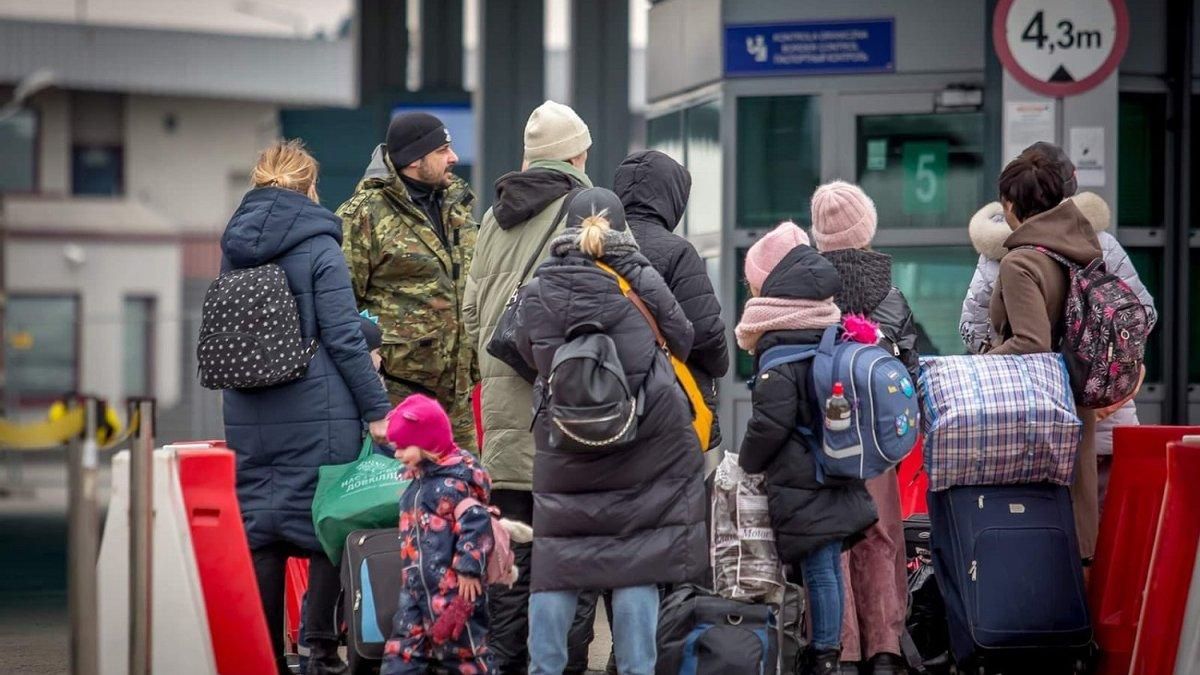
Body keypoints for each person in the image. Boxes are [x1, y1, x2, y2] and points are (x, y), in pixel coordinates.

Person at [511, 188, 707, 675]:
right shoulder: (640, 276)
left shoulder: (540, 286)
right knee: (634, 560)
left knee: (557, 561)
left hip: (564, 440)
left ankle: (545, 668)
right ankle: (638, 668)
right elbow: (683, 337)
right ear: (620, 229)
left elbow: (519, 346)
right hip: (641, 439)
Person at [220, 140, 392, 675]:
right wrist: (377, 408)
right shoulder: (319, 244)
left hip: (249, 406)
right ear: (309, 186)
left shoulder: (234, 246)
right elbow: (341, 335)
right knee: (330, 516)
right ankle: (318, 648)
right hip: (317, 404)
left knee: (263, 530)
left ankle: (266, 655)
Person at [462, 100, 601, 673]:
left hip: (502, 415)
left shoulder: (494, 218)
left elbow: (470, 315)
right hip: (562, 415)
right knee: (571, 553)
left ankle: (503, 662)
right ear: (576, 153)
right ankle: (564, 664)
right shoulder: (583, 209)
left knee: (511, 549)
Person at [735, 222, 877, 675]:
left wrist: (746, 462)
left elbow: (771, 420)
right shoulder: (822, 322)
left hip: (804, 473)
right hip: (831, 462)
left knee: (819, 569)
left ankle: (824, 657)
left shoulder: (781, 341)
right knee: (828, 564)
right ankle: (827, 651)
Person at [961, 191, 1156, 510]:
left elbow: (972, 329)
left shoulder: (1005, 255)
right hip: (1102, 419)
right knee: (1098, 528)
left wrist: (987, 361)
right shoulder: (1100, 242)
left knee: (1034, 520)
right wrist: (1117, 378)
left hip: (1027, 418)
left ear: (1010, 204)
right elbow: (1140, 316)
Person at [809, 181, 915, 675]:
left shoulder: (805, 287)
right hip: (876, 443)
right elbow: (908, 371)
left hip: (822, 441)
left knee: (833, 542)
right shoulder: (887, 292)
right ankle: (886, 650)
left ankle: (842, 651)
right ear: (866, 229)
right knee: (881, 536)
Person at [337, 111, 479, 451]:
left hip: (458, 398)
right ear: (415, 160)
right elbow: (340, 307)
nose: (454, 158)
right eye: (443, 149)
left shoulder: (456, 207)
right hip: (399, 399)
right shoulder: (364, 215)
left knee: (464, 493)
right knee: (404, 499)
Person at [987, 148, 1103, 560]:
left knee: (1037, 530)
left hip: (1036, 411)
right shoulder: (1076, 248)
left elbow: (1030, 343)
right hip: (1077, 402)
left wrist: (976, 366)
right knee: (1077, 519)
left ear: (1012, 204)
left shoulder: (1021, 262)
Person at [613, 150, 729, 454]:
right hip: (667, 409)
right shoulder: (677, 252)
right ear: (673, 197)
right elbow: (705, 331)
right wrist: (720, 365)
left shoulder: (595, 245)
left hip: (604, 405)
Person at [382, 394, 495, 675]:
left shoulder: (453, 484)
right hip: (415, 588)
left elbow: (478, 524)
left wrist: (468, 570)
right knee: (401, 654)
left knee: (465, 654)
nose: (397, 454)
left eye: (403, 447)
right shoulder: (417, 482)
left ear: (427, 444)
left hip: (454, 591)